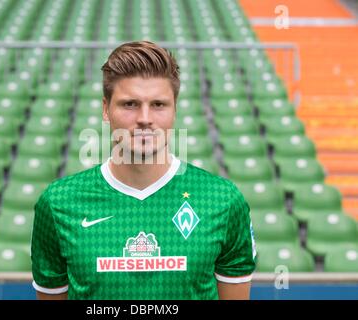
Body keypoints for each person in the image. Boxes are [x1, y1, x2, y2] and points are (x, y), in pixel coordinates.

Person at [31, 41, 256, 300]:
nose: (145, 118)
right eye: (130, 104)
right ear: (106, 109)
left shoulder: (222, 200)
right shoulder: (59, 203)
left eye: (159, 104)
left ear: (175, 110)